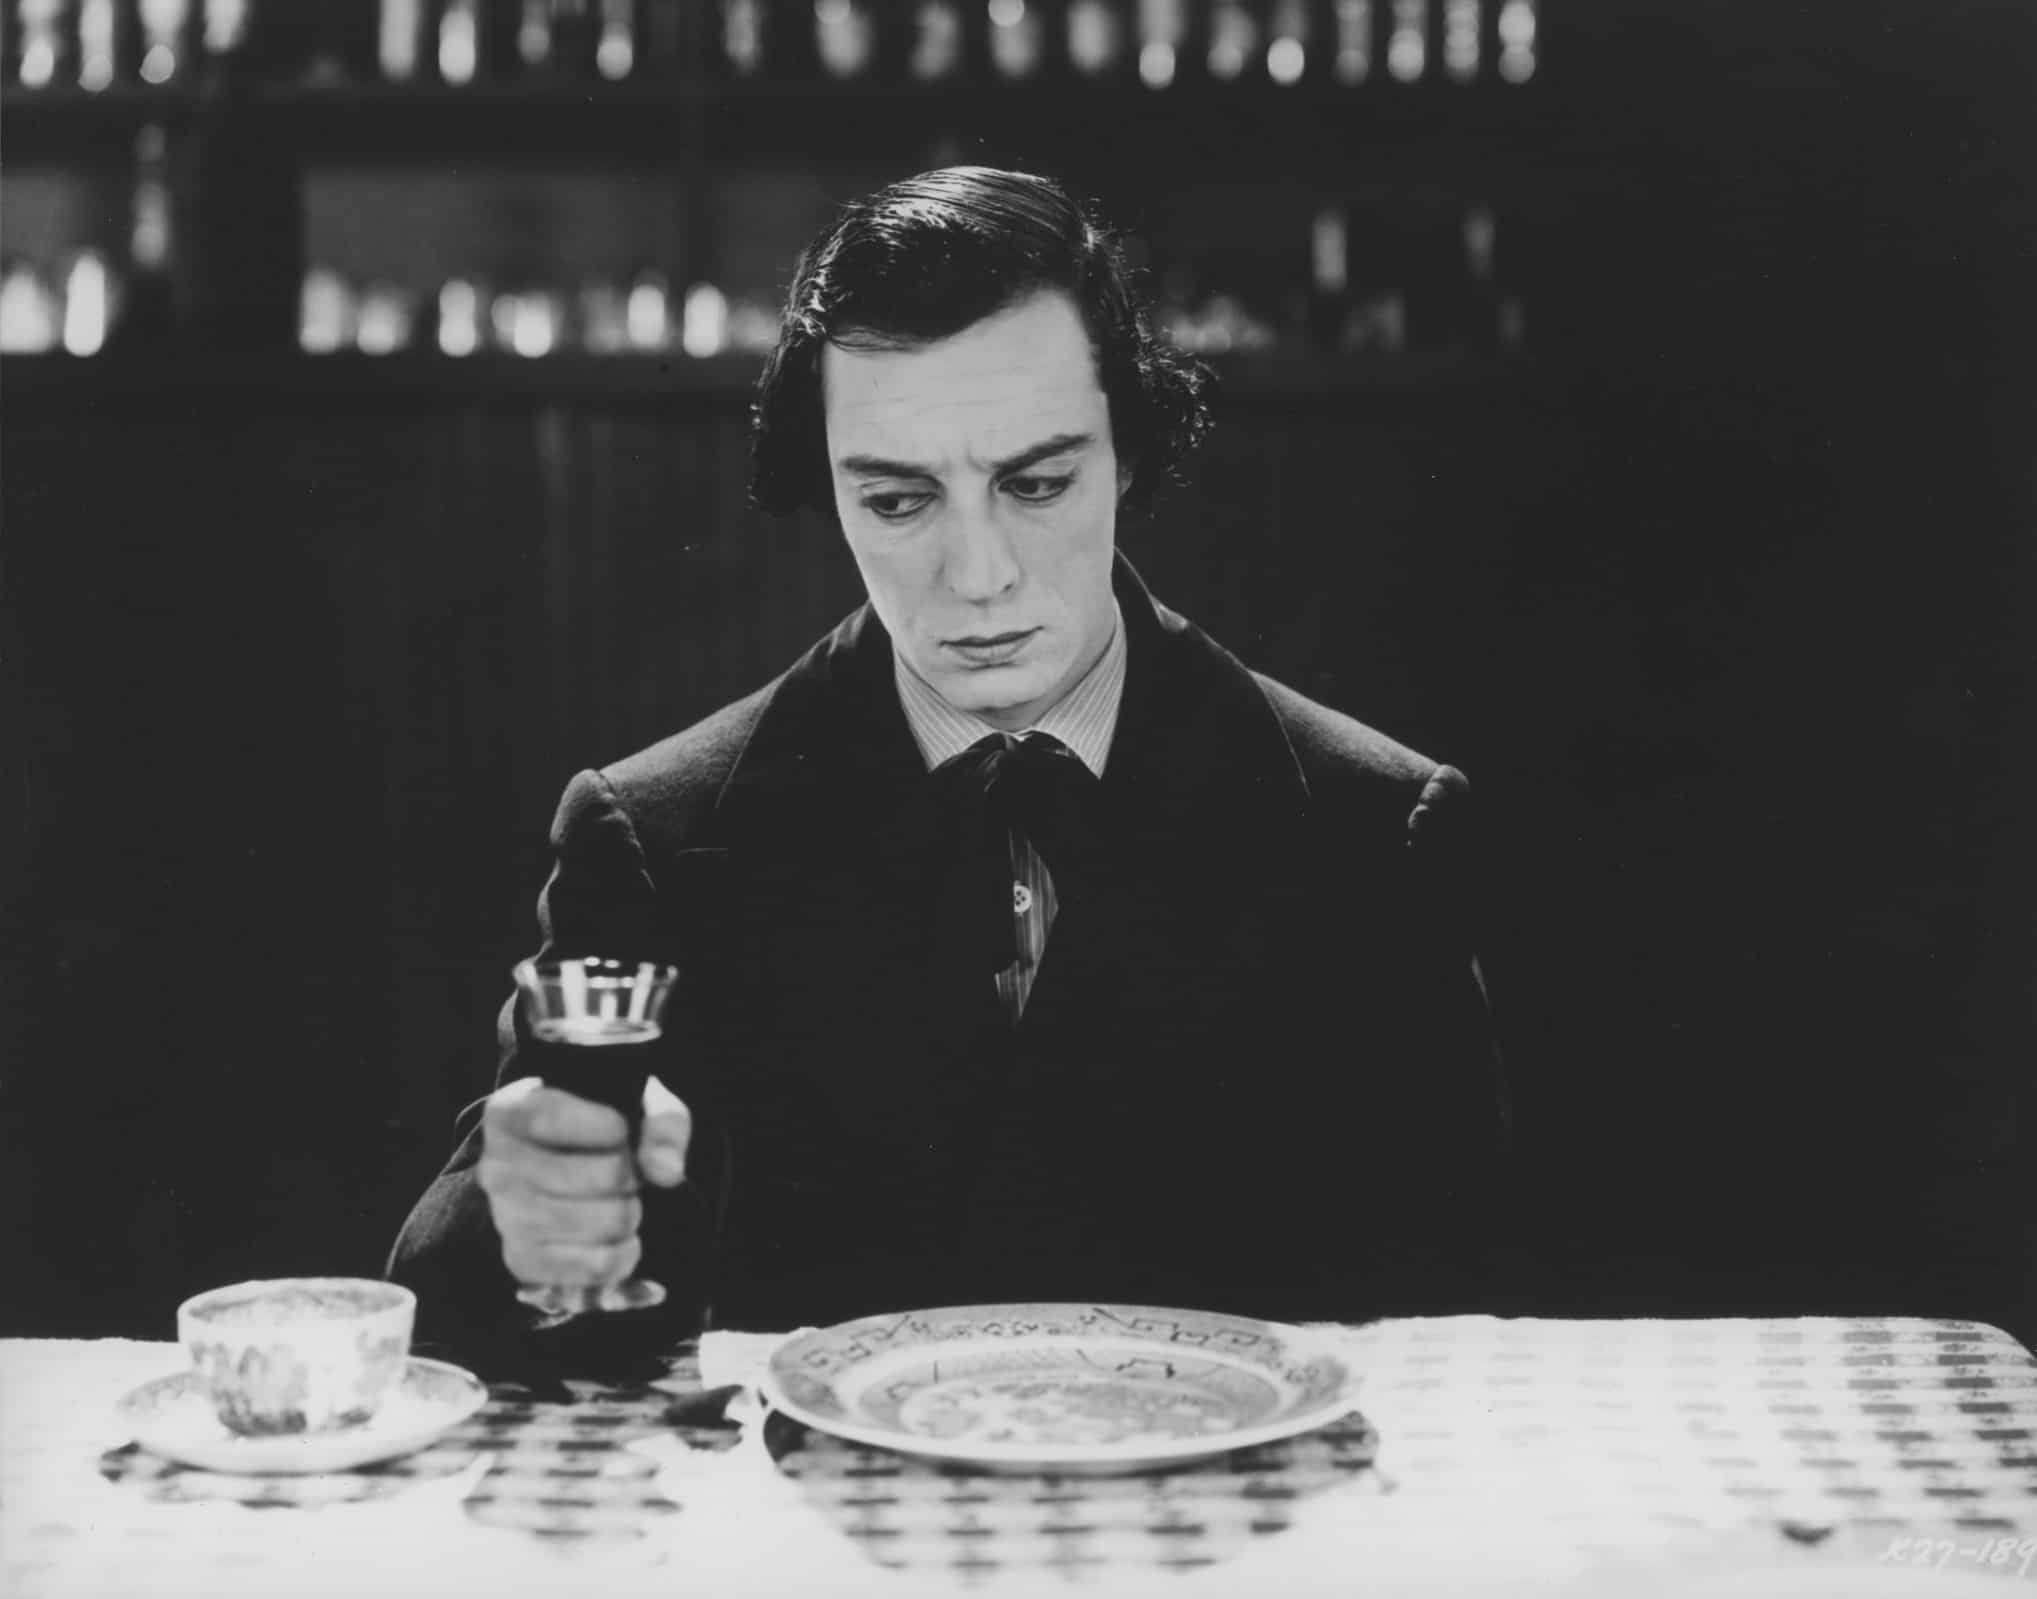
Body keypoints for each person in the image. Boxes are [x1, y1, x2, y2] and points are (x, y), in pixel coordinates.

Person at [389, 167, 1512, 1368]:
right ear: (826, 485)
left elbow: (1458, 1327)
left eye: (1036, 483)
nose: (979, 576)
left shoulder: (1370, 825)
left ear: (1130, 455)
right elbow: (458, 1301)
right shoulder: (654, 836)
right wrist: (530, 1216)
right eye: (897, 500)